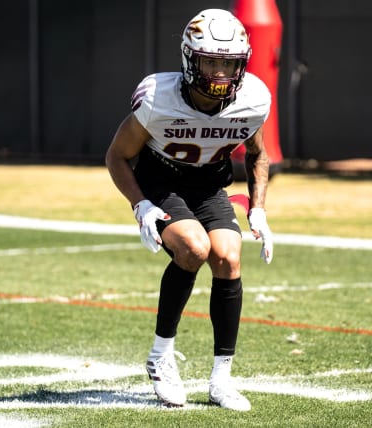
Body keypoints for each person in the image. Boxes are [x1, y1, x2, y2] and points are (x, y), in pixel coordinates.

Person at [105, 8, 273, 411]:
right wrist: (140, 203)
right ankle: (161, 356)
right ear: (189, 59)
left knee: (229, 259)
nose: (220, 73)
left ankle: (221, 380)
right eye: (211, 62)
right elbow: (117, 156)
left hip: (208, 184)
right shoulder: (158, 99)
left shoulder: (252, 98)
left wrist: (260, 210)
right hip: (160, 181)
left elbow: (258, 155)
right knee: (193, 248)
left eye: (229, 63)